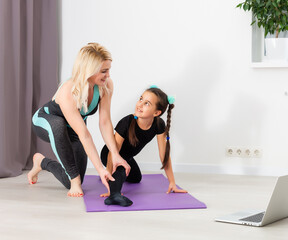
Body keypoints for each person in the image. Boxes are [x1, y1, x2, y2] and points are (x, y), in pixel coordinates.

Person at [28, 43, 129, 197]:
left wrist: (115, 154)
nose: (108, 75)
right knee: (59, 127)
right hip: (46, 121)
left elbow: (104, 122)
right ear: (89, 71)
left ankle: (41, 162)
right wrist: (100, 169)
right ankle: (74, 183)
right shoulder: (68, 90)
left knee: (72, 177)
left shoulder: (105, 85)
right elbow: (84, 134)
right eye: (104, 71)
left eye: (108, 70)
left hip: (73, 127)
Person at [100, 86, 187, 206]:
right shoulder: (126, 122)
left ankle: (115, 177)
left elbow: (164, 156)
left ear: (156, 113)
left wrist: (172, 182)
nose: (140, 104)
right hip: (111, 154)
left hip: (128, 157)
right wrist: (108, 176)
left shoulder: (159, 125)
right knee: (121, 170)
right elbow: (113, 152)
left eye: (146, 103)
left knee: (136, 178)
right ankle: (114, 195)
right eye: (141, 99)